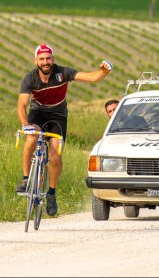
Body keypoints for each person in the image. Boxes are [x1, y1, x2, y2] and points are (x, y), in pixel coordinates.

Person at [17, 43, 113, 216]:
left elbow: (91, 77)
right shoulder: (30, 79)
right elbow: (22, 105)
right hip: (37, 114)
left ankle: (52, 193)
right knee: (30, 138)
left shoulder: (62, 73)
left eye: (48, 58)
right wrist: (26, 125)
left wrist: (104, 71)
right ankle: (25, 180)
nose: (45, 62)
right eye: (41, 59)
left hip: (58, 116)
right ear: (35, 61)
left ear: (53, 59)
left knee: (55, 156)